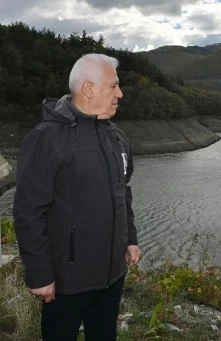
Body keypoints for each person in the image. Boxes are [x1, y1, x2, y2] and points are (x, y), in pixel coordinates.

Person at [13, 53, 141, 340]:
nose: (120, 94)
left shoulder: (118, 138)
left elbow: (124, 193)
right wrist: (39, 274)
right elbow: (28, 211)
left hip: (112, 275)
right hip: (67, 280)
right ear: (89, 88)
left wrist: (130, 238)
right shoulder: (46, 138)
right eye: (114, 86)